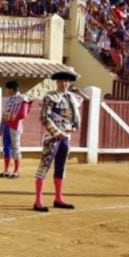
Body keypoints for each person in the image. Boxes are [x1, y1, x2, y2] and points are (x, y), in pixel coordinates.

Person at [34, 70, 83, 212]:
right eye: (61, 81)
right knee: (44, 167)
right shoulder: (50, 97)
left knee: (61, 167)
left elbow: (75, 117)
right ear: (57, 82)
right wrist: (57, 133)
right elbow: (44, 118)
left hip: (66, 137)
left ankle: (58, 198)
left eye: (67, 81)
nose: (64, 84)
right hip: (52, 138)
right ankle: (38, 201)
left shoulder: (72, 98)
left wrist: (74, 128)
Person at [0, 80, 31, 178]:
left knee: (15, 148)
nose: (7, 90)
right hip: (6, 125)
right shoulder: (10, 99)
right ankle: (6, 170)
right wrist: (1, 125)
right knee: (6, 147)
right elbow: (4, 113)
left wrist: (10, 118)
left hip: (15, 125)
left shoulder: (22, 98)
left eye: (8, 88)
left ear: (11, 88)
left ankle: (16, 171)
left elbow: (23, 114)